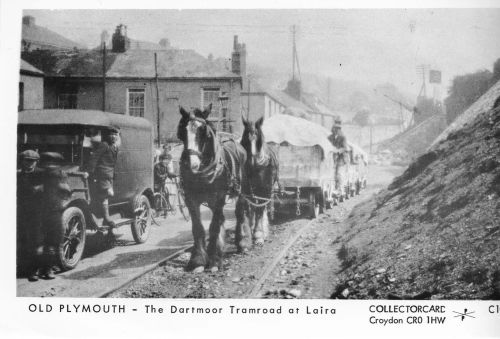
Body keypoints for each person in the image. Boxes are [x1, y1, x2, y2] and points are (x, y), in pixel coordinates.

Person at [38, 152, 72, 280]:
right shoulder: (56, 174)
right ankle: (47, 269)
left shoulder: (40, 173)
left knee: (49, 240)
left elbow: (67, 193)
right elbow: (67, 192)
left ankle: (45, 268)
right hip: (48, 210)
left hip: (46, 210)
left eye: (50, 164)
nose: (49, 166)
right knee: (51, 240)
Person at [84, 126, 120, 232]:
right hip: (102, 174)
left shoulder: (114, 147)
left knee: (107, 195)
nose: (113, 137)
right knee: (106, 194)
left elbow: (113, 163)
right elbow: (94, 158)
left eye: (115, 135)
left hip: (109, 175)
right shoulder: (104, 145)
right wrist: (88, 171)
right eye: (111, 134)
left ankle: (105, 218)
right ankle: (106, 218)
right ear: (108, 136)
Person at [17, 150, 44, 281]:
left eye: (32, 161)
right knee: (22, 241)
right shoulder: (17, 174)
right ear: (22, 161)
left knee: (35, 242)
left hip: (37, 212)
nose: (28, 164)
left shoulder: (41, 175)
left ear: (36, 162)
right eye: (26, 161)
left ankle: (34, 270)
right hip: (21, 212)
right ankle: (22, 268)